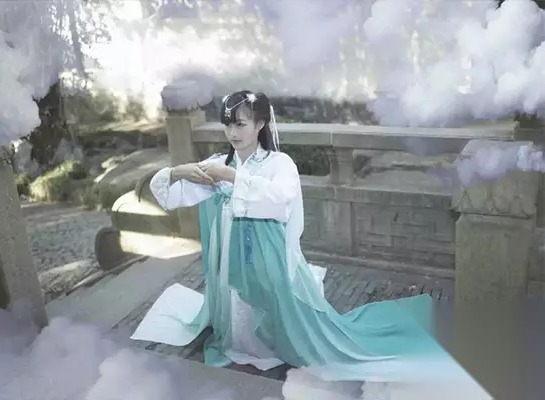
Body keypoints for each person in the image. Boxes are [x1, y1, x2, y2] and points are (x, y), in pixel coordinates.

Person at [131, 90, 461, 383]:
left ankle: (269, 345)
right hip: (230, 255)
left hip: (267, 257)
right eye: (228, 125)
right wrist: (178, 171)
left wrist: (233, 177)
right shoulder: (220, 162)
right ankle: (238, 342)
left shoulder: (279, 164)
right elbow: (176, 193)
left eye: (241, 124)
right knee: (234, 302)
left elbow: (280, 201)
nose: (233, 133)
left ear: (260, 124)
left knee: (266, 303)